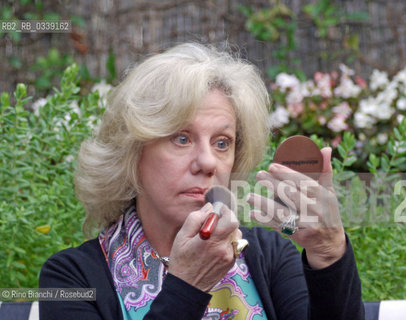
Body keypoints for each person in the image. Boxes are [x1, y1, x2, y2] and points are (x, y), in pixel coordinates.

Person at [39, 43, 364, 320]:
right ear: (132, 154)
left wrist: (328, 252)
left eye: (222, 142)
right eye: (181, 138)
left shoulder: (268, 255)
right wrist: (187, 286)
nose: (208, 161)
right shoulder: (71, 277)